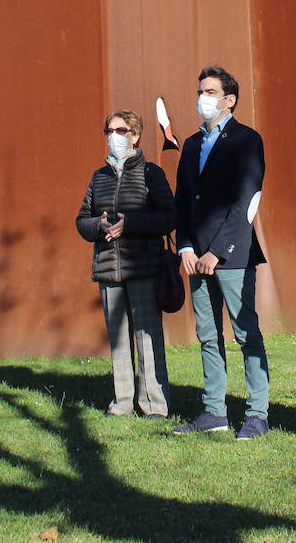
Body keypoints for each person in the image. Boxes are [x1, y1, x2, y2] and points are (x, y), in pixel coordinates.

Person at [171, 66, 271, 440]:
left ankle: (257, 414)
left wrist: (217, 251)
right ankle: (214, 411)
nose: (203, 98)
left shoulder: (247, 139)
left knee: (246, 333)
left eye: (210, 91)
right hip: (194, 256)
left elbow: (246, 199)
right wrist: (184, 246)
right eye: (200, 91)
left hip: (232, 255)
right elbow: (182, 199)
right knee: (208, 335)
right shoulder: (193, 144)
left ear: (229, 100)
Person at [75, 109, 175, 418]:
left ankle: (154, 404)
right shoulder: (98, 177)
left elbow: (168, 216)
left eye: (120, 130)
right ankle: (122, 403)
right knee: (118, 340)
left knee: (147, 335)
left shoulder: (151, 173)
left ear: (135, 136)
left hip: (142, 266)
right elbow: (81, 221)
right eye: (108, 131)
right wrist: (99, 226)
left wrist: (129, 223)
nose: (112, 137)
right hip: (108, 268)